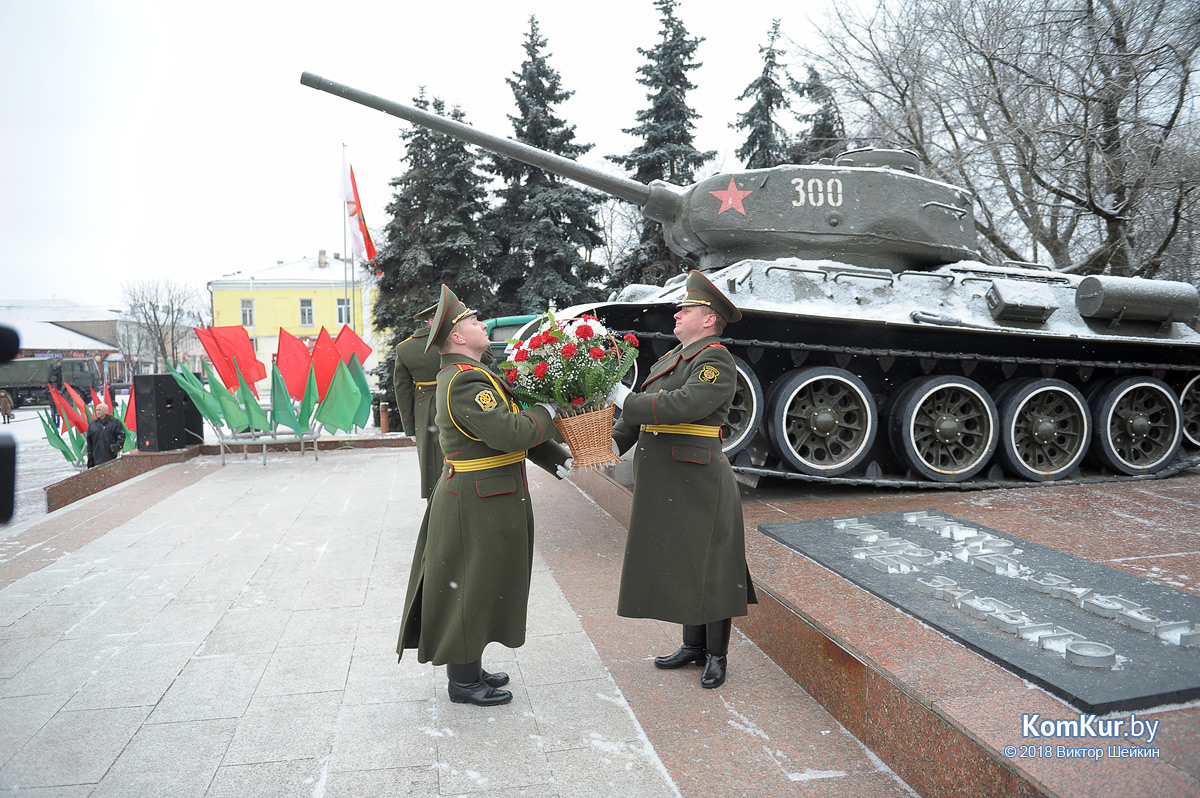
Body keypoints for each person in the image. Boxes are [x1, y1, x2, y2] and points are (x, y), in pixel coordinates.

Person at [398, 285, 571, 707]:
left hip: (489, 496)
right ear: (457, 337)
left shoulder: (475, 375)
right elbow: (510, 432)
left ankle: (470, 667)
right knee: (469, 586)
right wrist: (548, 412)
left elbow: (504, 434)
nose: (480, 324)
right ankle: (462, 682)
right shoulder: (463, 381)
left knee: (483, 583)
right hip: (476, 500)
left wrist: (555, 458)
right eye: (472, 320)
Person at [608, 270, 757, 689]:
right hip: (669, 480)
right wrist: (608, 447)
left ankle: (716, 654)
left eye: (686, 308)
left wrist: (625, 398)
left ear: (709, 319)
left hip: (698, 478)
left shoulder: (716, 358)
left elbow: (683, 406)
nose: (677, 314)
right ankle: (693, 645)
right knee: (684, 560)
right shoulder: (668, 359)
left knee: (712, 565)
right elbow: (636, 420)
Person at [392, 303, 442, 499]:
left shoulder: (405, 348)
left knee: (430, 459)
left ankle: (434, 499)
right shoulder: (448, 342)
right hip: (453, 399)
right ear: (431, 322)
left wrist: (409, 425)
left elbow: (402, 390)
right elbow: (486, 356)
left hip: (424, 408)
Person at [85, 403, 125, 468]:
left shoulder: (114, 422)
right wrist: (90, 455)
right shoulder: (93, 424)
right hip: (97, 455)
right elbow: (89, 441)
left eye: (100, 410)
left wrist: (117, 446)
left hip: (110, 454)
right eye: (97, 410)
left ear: (105, 411)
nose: (98, 412)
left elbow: (121, 435)